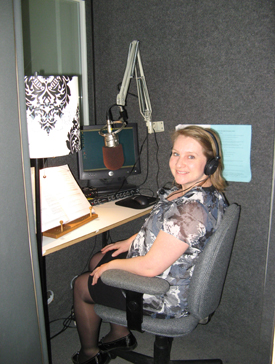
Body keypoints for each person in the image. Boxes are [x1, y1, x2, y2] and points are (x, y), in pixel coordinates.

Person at [72, 125, 228, 364]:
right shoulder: (194, 192)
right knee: (98, 259)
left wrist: (109, 268)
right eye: (176, 154)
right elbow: (161, 228)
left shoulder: (191, 210)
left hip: (163, 291)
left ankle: (89, 353)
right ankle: (120, 334)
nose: (179, 163)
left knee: (84, 285)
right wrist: (129, 242)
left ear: (210, 165)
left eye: (191, 156)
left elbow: (150, 268)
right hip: (171, 270)